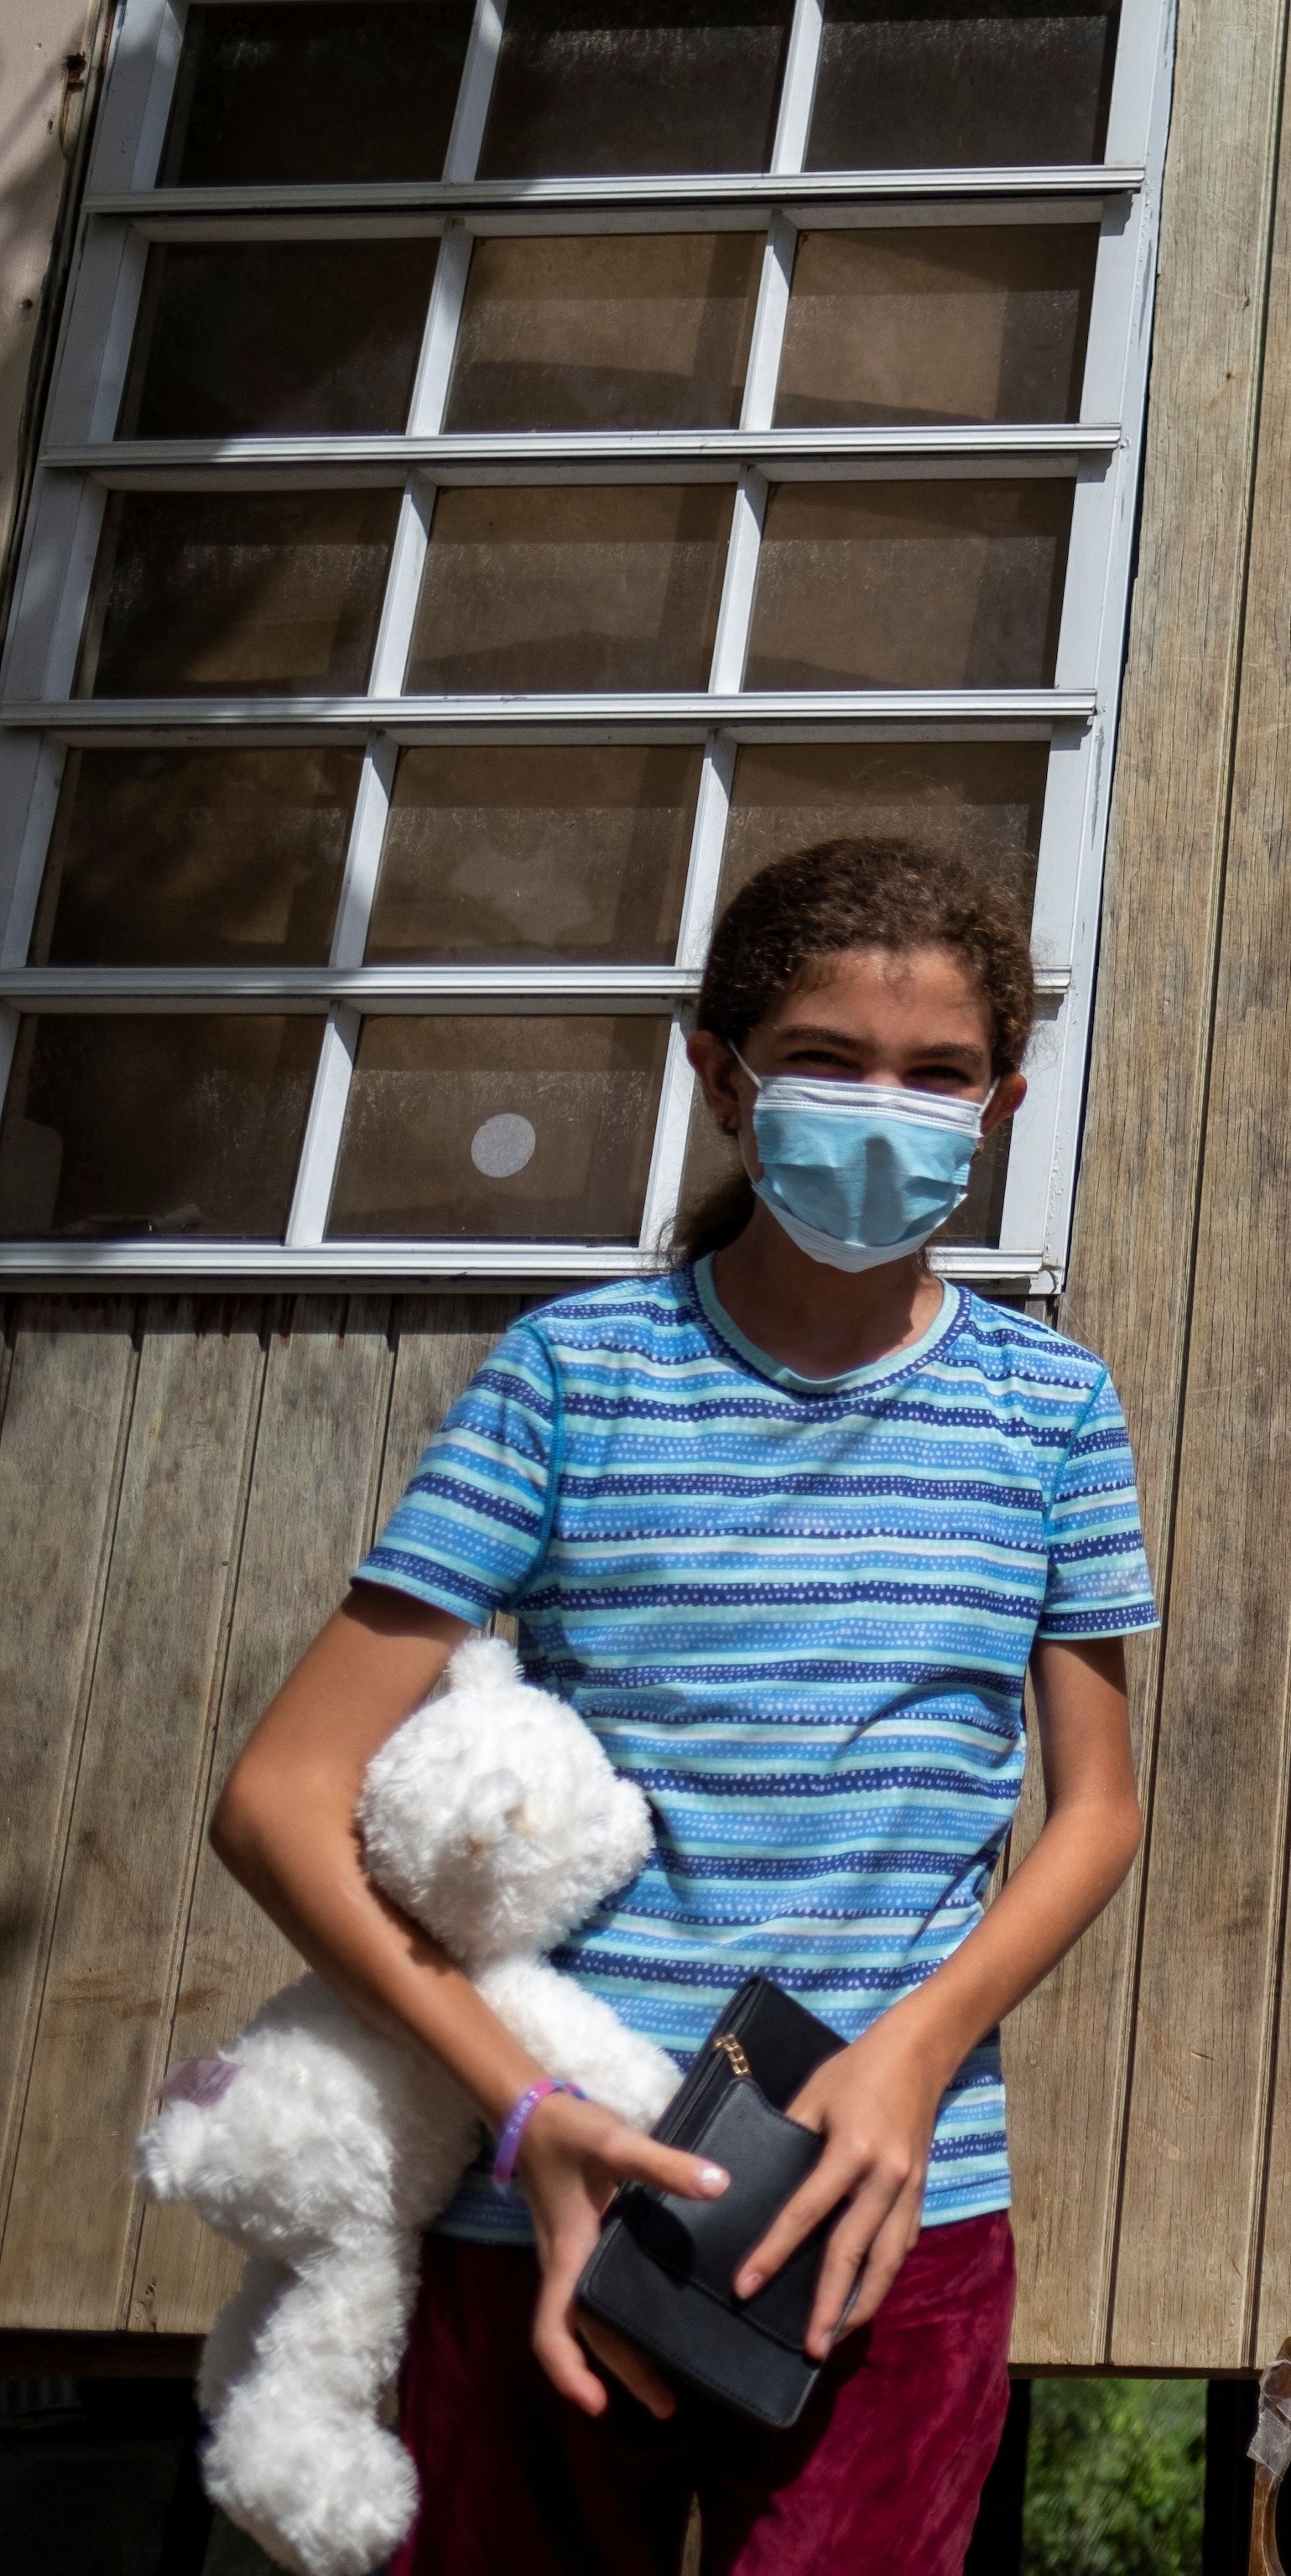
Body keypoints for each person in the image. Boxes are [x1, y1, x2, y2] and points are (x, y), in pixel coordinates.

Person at [204, 837, 1155, 2571]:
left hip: (895, 2214)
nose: (885, 1109)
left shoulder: (1056, 1411)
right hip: (549, 2211)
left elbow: (1097, 1805)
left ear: (1003, 1102)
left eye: (938, 1073)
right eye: (823, 1059)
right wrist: (525, 2107)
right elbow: (279, 1793)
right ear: (715, 1077)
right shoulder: (573, 1374)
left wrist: (911, 2057)